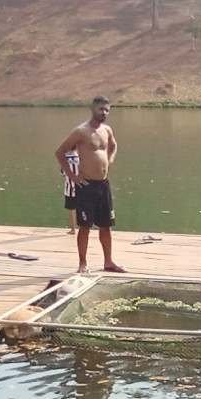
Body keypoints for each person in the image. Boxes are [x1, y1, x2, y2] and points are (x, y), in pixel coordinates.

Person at [53, 96, 124, 272]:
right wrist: (72, 176)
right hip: (86, 185)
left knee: (106, 225)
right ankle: (82, 264)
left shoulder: (107, 129)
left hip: (103, 185)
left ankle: (108, 262)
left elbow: (114, 146)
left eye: (107, 110)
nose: (104, 113)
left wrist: (110, 159)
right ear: (92, 109)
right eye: (101, 109)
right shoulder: (81, 131)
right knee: (84, 227)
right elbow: (60, 152)